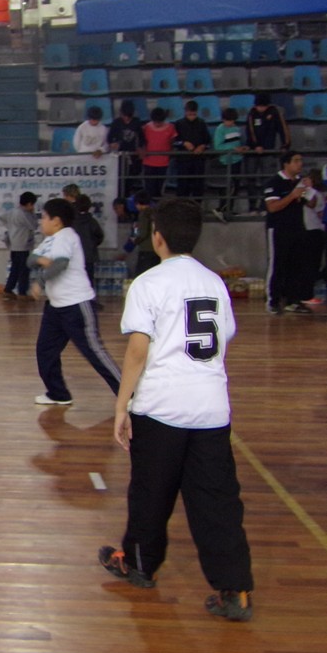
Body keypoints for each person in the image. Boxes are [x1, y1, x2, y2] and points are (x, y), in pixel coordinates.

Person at [99, 198, 253, 623]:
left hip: (161, 408)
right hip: (211, 409)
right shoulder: (215, 283)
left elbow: (137, 351)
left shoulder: (149, 283)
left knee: (151, 493)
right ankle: (234, 589)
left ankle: (140, 565)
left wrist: (121, 405)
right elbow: (226, 337)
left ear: (157, 237)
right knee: (218, 501)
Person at [29, 198, 121, 405]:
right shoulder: (50, 239)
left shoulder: (66, 237)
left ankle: (129, 394)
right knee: (45, 350)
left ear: (57, 221)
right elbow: (30, 258)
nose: (40, 221)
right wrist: (42, 261)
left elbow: (59, 264)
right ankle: (58, 393)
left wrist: (40, 281)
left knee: (94, 351)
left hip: (76, 305)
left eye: (44, 217)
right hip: (55, 306)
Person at [264, 151, 309, 314]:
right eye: (296, 161)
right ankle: (273, 301)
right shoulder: (274, 182)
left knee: (296, 265)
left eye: (301, 160)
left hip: (297, 227)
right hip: (278, 229)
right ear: (286, 164)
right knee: (277, 264)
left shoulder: (299, 182)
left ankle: (293, 300)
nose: (300, 164)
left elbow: (310, 204)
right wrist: (292, 195)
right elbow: (272, 207)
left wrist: (308, 190)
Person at [244, 93, 290, 214]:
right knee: (251, 179)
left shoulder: (274, 112)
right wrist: (256, 146)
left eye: (263, 106)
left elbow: (283, 128)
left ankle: (264, 206)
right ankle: (252, 206)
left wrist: (285, 145)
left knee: (268, 180)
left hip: (268, 152)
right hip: (253, 153)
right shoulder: (252, 113)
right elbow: (250, 131)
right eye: (259, 106)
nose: (261, 109)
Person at [0, 191, 39, 300]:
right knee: (24, 270)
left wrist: (10, 227)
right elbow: (34, 225)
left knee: (15, 269)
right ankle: (22, 292)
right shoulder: (24, 214)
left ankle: (8, 289)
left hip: (13, 244)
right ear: (30, 204)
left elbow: (1, 217)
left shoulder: (12, 211)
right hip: (23, 245)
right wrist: (32, 214)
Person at [171, 99, 211, 199]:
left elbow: (208, 142)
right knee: (183, 186)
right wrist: (184, 143)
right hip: (183, 161)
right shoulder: (178, 124)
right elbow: (174, 142)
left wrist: (202, 146)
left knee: (198, 186)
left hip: (198, 160)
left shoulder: (202, 123)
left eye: (193, 113)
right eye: (189, 113)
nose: (191, 116)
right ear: (185, 111)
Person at [212, 107, 247, 221]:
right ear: (223, 119)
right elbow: (218, 147)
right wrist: (233, 148)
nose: (230, 123)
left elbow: (238, 143)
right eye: (228, 120)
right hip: (226, 162)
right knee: (227, 186)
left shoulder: (236, 129)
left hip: (237, 160)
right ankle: (221, 208)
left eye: (232, 120)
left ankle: (229, 209)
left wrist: (242, 148)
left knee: (235, 186)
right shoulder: (220, 130)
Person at [298, 166, 326, 305]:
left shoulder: (315, 193)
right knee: (308, 264)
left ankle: (307, 293)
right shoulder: (305, 192)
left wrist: (309, 189)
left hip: (315, 230)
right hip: (308, 231)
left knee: (313, 264)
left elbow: (312, 205)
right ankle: (305, 294)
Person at [108, 99, 146, 193]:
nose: (126, 119)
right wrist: (112, 144)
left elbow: (141, 138)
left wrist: (140, 148)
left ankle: (128, 194)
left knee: (131, 177)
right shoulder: (116, 123)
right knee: (120, 177)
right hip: (119, 155)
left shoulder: (137, 122)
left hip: (132, 155)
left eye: (129, 117)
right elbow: (109, 137)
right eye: (124, 116)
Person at [141, 107, 177, 199]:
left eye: (159, 122)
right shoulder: (146, 128)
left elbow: (172, 142)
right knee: (149, 188)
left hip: (163, 162)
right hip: (148, 162)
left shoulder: (170, 128)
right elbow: (142, 142)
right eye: (155, 122)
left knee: (159, 188)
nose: (157, 124)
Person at [73, 194, 105, 289]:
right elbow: (100, 236)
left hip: (75, 256)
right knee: (89, 280)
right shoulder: (92, 221)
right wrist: (92, 244)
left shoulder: (72, 222)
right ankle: (90, 301)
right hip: (89, 256)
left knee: (76, 280)